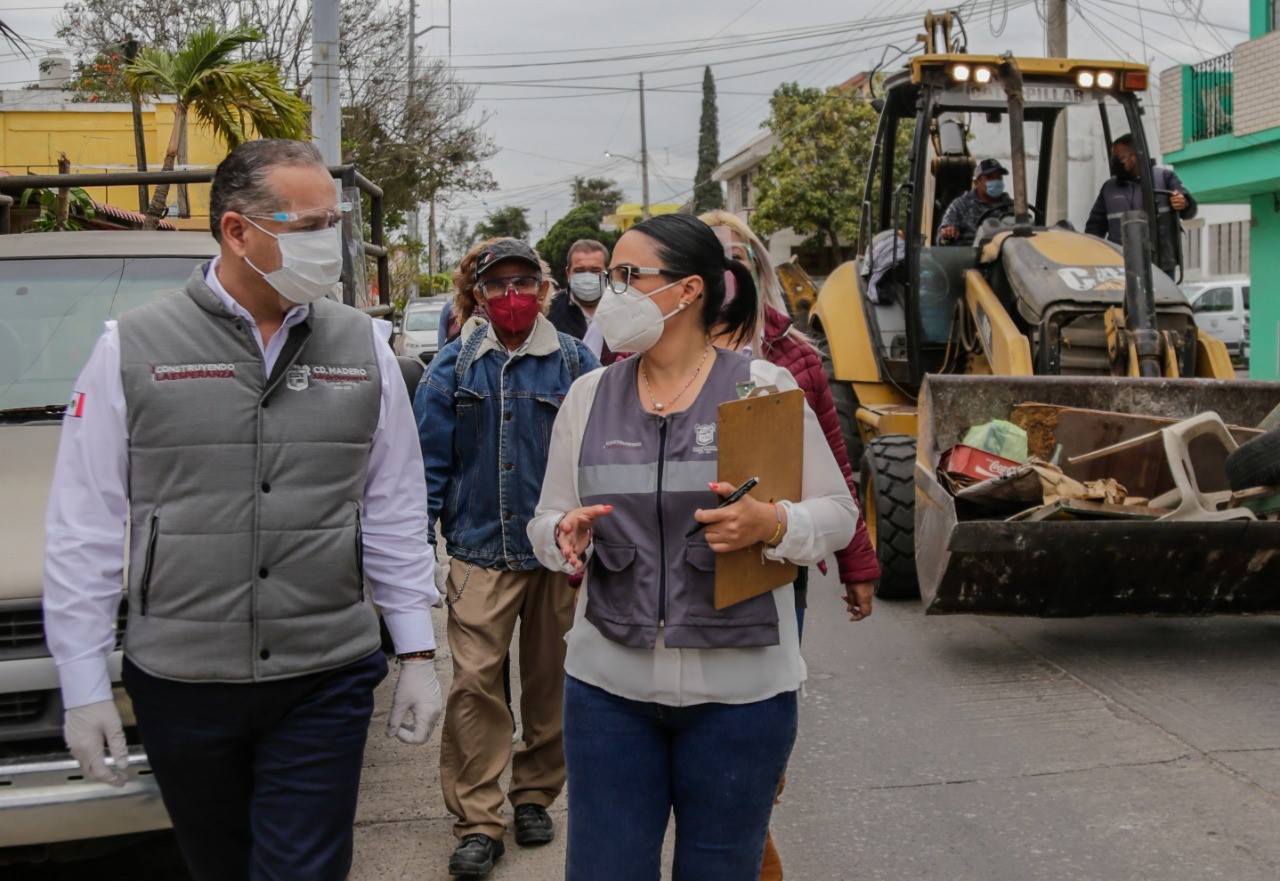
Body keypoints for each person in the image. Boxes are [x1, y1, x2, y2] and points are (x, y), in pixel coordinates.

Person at [42, 138, 443, 881]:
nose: (332, 243)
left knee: (302, 870)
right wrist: (84, 680)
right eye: (310, 225)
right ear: (236, 231)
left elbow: (392, 504)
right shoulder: (131, 348)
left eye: (335, 223)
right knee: (218, 865)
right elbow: (85, 524)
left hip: (325, 671)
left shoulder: (365, 348)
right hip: (184, 679)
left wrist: (416, 650)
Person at [528, 213, 858, 881]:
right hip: (608, 691)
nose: (609, 290)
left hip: (740, 700)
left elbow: (839, 513)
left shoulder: (761, 389)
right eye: (610, 275)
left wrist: (771, 523)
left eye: (627, 275)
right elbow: (548, 520)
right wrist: (563, 535)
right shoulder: (589, 396)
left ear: (686, 291)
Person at [699, 209, 878, 881]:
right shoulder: (644, 355)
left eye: (733, 256)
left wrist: (857, 561)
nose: (722, 268)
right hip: (683, 568)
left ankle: (752, 826)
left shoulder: (792, 356)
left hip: (777, 565)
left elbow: (834, 458)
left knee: (763, 717)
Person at [415, 237, 599, 878]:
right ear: (479, 295)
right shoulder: (451, 370)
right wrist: (421, 557)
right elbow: (428, 470)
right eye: (498, 286)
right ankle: (478, 821)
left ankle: (533, 794)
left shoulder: (576, 365)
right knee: (474, 689)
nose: (513, 297)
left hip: (557, 556)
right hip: (476, 554)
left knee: (551, 685)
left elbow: (598, 460)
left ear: (544, 291)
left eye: (525, 283)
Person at [1086, 133, 1197, 278]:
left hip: (1161, 267)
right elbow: (1094, 229)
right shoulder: (1108, 189)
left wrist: (1184, 203)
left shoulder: (1164, 178)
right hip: (1121, 268)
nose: (1115, 163)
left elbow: (1190, 210)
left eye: (1119, 158)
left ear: (1135, 156)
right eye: (1113, 159)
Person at [938, 157, 1013, 245]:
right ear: (977, 183)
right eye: (990, 177)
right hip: (969, 255)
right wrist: (948, 233)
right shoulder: (961, 205)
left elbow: (1027, 229)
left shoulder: (1010, 206)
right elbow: (942, 241)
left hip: (1003, 254)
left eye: (999, 177)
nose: (995, 181)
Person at [548, 238, 609, 343]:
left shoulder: (623, 307)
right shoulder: (549, 311)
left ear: (607, 272)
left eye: (595, 270)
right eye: (579, 271)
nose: (587, 277)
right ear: (568, 273)